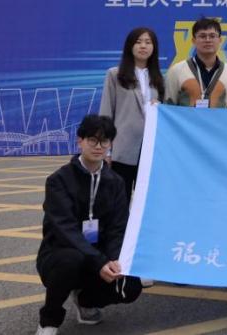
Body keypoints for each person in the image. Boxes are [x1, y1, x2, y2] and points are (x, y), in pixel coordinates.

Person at [35, 115, 143, 334]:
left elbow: (117, 228)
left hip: (99, 257)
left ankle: (85, 301)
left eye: (105, 141)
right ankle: (49, 321)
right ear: (80, 141)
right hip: (61, 254)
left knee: (131, 285)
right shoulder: (58, 180)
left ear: (111, 144)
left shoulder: (115, 182)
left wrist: (114, 260)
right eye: (92, 140)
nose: (98, 146)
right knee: (70, 260)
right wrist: (99, 262)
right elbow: (65, 230)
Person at [99, 27, 164, 201]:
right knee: (120, 200)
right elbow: (106, 112)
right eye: (138, 42)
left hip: (150, 149)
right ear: (130, 46)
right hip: (123, 148)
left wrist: (159, 107)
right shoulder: (115, 74)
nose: (143, 46)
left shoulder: (159, 78)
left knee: (147, 200)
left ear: (154, 48)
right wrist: (106, 150)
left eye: (148, 42)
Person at [164, 17, 227, 108]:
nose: (208, 40)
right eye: (202, 36)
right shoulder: (176, 71)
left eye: (212, 36)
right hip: (186, 118)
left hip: (219, 118)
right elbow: (168, 108)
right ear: (193, 41)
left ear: (220, 40)